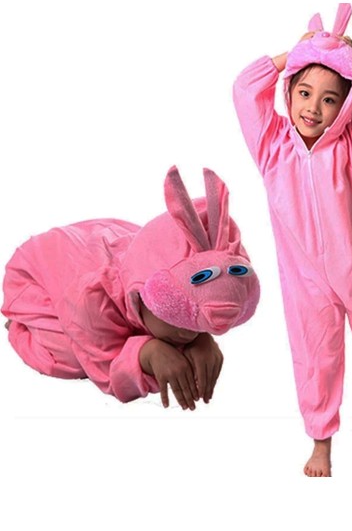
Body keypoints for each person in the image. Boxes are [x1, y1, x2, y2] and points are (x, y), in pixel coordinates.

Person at [233, 3, 352, 476]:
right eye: (304, 93)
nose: (313, 108)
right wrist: (293, 54)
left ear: (346, 104)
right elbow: (244, 88)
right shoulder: (271, 146)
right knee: (314, 358)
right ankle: (321, 443)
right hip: (306, 285)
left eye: (329, 99)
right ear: (288, 92)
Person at [2, 166, 260, 410]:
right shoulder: (91, 301)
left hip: (107, 240)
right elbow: (104, 370)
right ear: (142, 297)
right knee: (70, 357)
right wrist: (146, 354)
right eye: (180, 322)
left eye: (196, 327)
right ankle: (17, 326)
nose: (189, 333)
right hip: (35, 274)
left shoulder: (163, 295)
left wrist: (203, 338)